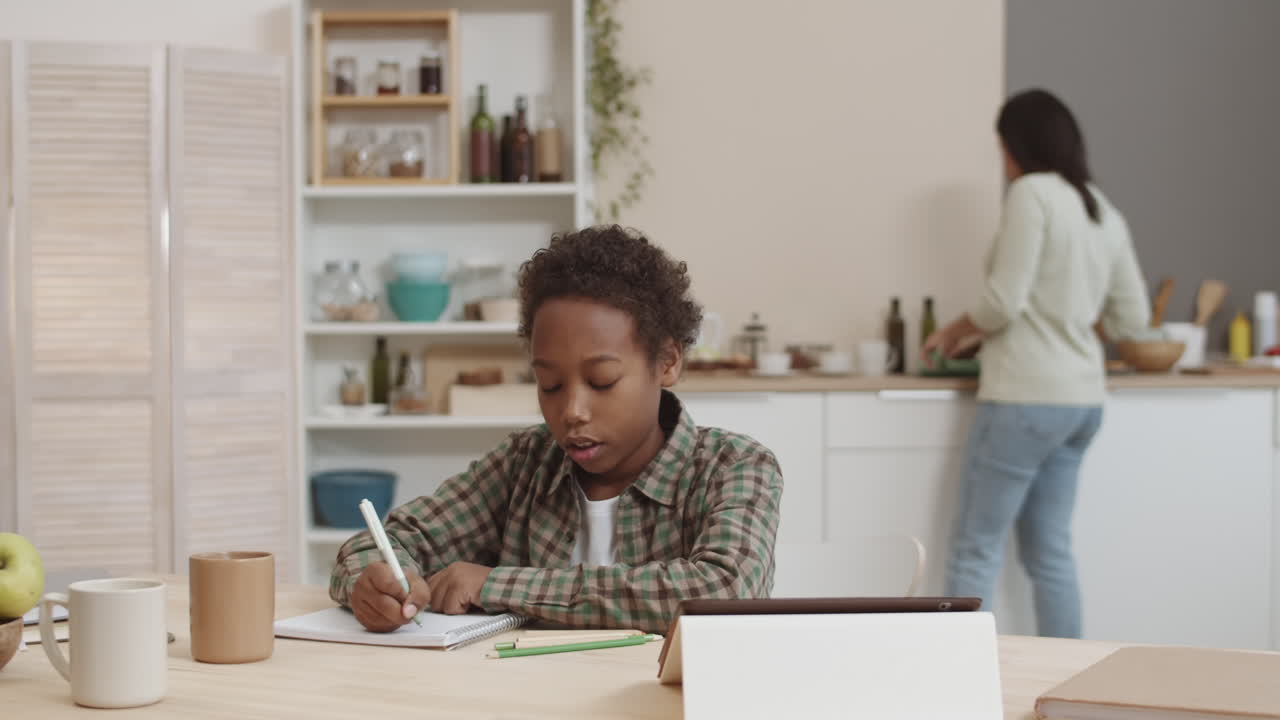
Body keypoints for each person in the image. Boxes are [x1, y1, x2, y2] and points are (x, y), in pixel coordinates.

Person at [330, 225, 783, 635]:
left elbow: (725, 593)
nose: (572, 411)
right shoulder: (524, 463)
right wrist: (377, 584)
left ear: (667, 362)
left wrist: (498, 584)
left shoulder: (734, 467)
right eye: (549, 384)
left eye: (602, 381)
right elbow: (380, 543)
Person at [922, 89, 1150, 638]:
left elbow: (1003, 302)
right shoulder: (1099, 206)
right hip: (1082, 404)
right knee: (1051, 555)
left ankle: (960, 689)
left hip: (1025, 398)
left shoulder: (1032, 194)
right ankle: (1065, 690)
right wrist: (1072, 313)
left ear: (1015, 146)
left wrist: (950, 334)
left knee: (975, 550)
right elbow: (1132, 319)